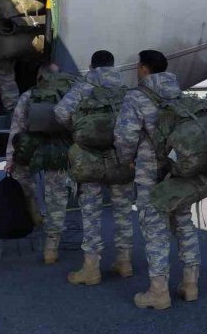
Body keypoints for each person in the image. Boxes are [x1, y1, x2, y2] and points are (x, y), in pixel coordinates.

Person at [115, 50, 200, 310]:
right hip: (180, 169)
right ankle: (190, 284)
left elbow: (125, 135)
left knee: (155, 229)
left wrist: (127, 159)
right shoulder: (178, 94)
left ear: (143, 68)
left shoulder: (136, 96)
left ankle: (159, 291)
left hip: (151, 172)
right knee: (183, 223)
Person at [55, 50, 134, 286]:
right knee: (123, 210)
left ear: (91, 67)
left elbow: (60, 112)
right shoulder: (126, 90)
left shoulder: (83, 88)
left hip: (89, 157)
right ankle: (124, 262)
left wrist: (79, 129)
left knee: (91, 212)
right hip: (121, 157)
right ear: (113, 65)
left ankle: (91, 268)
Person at [5, 61, 66, 264]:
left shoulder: (29, 95)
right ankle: (51, 249)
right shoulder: (68, 95)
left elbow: (17, 129)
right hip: (58, 152)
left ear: (39, 76)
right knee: (57, 198)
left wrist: (10, 159)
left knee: (22, 178)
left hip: (32, 150)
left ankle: (33, 210)